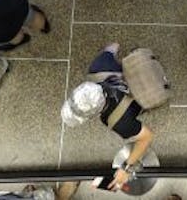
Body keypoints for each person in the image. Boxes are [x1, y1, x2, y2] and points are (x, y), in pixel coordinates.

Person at [61, 42, 155, 191]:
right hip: (143, 70)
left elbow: (147, 137)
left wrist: (126, 168)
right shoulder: (97, 67)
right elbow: (114, 46)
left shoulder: (117, 122)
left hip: (147, 94)